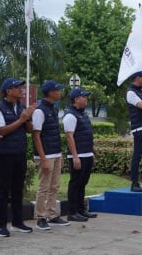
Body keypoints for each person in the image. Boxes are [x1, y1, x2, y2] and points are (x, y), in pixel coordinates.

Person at [0, 78, 36, 237]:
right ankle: (1, 225)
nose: (21, 90)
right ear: (9, 91)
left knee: (18, 189)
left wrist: (29, 118)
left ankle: (17, 222)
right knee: (4, 189)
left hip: (19, 152)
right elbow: (1, 131)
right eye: (17, 87)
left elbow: (29, 130)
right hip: (3, 154)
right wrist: (21, 119)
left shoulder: (22, 107)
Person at [32, 80, 70, 230]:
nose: (60, 92)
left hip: (54, 153)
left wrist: (59, 155)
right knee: (44, 187)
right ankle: (41, 218)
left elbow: (54, 134)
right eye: (57, 90)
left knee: (54, 186)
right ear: (50, 93)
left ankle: (52, 214)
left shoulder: (53, 110)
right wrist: (43, 159)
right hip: (45, 155)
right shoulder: (40, 111)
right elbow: (36, 136)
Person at [64, 88, 98, 222]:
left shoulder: (83, 114)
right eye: (84, 96)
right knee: (75, 183)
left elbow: (88, 135)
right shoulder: (70, 115)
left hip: (86, 154)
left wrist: (91, 152)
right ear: (76, 99)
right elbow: (69, 137)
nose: (86, 99)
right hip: (77, 156)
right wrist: (75, 156)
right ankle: (72, 212)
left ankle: (81, 209)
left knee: (83, 183)